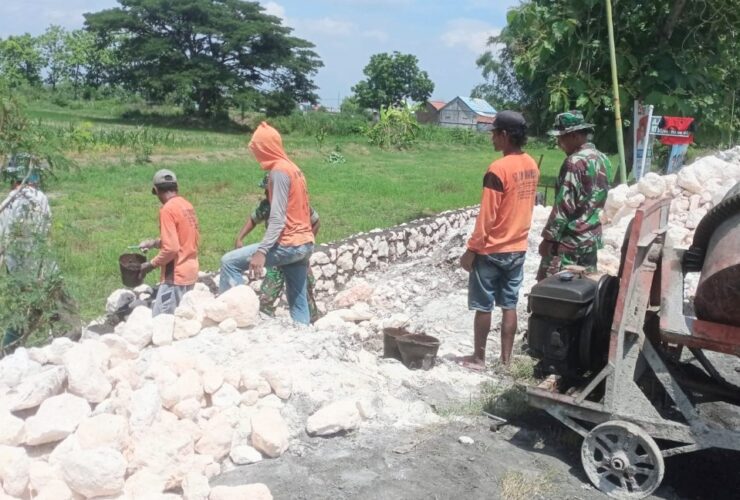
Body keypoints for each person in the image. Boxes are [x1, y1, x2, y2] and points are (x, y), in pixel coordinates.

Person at [457, 111, 540, 369]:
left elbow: (487, 215)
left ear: (505, 135)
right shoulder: (531, 165)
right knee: (509, 305)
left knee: (484, 306)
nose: (491, 137)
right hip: (518, 246)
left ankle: (479, 357)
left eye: (494, 133)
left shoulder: (498, 169)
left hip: (492, 249)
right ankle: (506, 362)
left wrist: (472, 249)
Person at [219, 122, 314, 325]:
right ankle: (303, 335)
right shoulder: (294, 169)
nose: (256, 155)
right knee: (297, 298)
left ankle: (233, 318)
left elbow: (278, 217)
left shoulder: (278, 171)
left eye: (257, 150)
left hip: (288, 244)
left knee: (229, 262)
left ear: (265, 148)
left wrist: (262, 251)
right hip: (305, 244)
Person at [0, 156, 78, 350]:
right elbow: (46, 230)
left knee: (23, 313)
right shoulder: (39, 198)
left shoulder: (7, 202)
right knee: (60, 307)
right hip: (42, 266)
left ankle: (8, 351)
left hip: (18, 270)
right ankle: (69, 343)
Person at [234, 174, 321, 322]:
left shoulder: (295, 203)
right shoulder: (267, 205)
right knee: (267, 294)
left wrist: (307, 242)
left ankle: (311, 323)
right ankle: (267, 322)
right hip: (278, 255)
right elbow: (253, 219)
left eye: (268, 190)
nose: (266, 194)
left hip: (295, 252)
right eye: (266, 191)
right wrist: (240, 238)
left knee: (304, 291)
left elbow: (316, 222)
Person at [537, 111, 612, 281]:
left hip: (568, 243)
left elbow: (563, 206)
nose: (559, 143)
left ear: (575, 136)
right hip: (590, 240)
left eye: (561, 138)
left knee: (551, 291)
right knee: (584, 289)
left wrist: (548, 240)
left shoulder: (574, 162)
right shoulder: (603, 159)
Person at [138, 169, 200, 316]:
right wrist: (153, 243)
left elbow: (172, 249)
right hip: (191, 270)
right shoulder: (187, 205)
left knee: (161, 320)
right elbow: (182, 239)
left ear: (156, 190)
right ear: (176, 188)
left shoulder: (167, 210)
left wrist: (150, 265)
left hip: (175, 276)